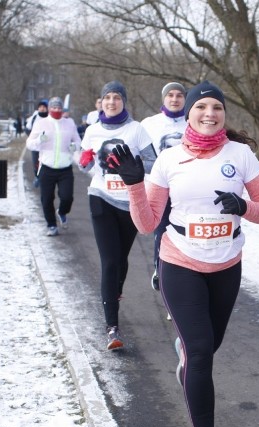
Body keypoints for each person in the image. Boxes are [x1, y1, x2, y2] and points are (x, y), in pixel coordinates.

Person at [111, 80, 259, 427]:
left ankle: (186, 352)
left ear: (224, 114)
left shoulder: (241, 155)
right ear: (188, 113)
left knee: (207, 348)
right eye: (201, 106)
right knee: (201, 351)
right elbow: (149, 223)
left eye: (216, 107)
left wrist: (244, 206)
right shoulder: (169, 159)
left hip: (226, 265)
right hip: (180, 261)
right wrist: (136, 185)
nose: (209, 113)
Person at [78, 81, 157, 351]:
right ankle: (112, 328)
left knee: (121, 259)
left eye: (116, 97)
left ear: (124, 101)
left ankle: (114, 292)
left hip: (130, 201)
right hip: (100, 197)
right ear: (101, 102)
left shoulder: (136, 130)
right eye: (107, 98)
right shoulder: (92, 130)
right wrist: (87, 160)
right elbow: (85, 164)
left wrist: (132, 167)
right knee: (110, 261)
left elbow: (153, 161)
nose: (111, 102)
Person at [140, 82, 187, 291]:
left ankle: (183, 278)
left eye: (179, 95)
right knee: (162, 232)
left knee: (184, 234)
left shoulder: (193, 122)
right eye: (170, 95)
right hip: (158, 187)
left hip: (187, 189)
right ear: (163, 98)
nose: (174, 99)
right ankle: (160, 270)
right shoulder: (149, 124)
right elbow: (139, 154)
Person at [25, 96, 81, 236]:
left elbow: (78, 141)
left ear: (63, 109)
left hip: (65, 167)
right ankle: (51, 225)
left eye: (59, 108)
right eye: (54, 107)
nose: (57, 110)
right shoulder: (41, 123)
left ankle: (62, 212)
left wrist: (73, 146)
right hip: (47, 167)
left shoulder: (69, 123)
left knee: (67, 197)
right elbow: (29, 144)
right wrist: (39, 140)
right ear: (49, 109)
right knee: (46, 199)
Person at [25, 99, 49, 187]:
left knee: (46, 163)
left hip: (47, 146)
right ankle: (37, 177)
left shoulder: (50, 118)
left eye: (44, 107)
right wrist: (33, 138)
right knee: (36, 163)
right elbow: (27, 129)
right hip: (36, 146)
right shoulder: (34, 117)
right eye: (40, 107)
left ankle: (45, 179)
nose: (42, 109)